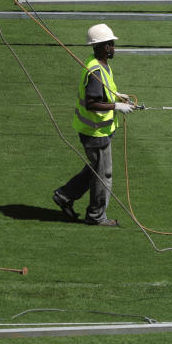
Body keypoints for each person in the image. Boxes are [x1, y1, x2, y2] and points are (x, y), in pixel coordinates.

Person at [53, 24, 136, 227]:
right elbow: (91, 103)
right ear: (101, 46)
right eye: (110, 44)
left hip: (96, 130)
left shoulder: (97, 64)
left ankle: (64, 195)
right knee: (103, 174)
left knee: (95, 169)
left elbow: (102, 93)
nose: (113, 48)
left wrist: (117, 97)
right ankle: (96, 216)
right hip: (95, 132)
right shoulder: (96, 70)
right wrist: (116, 106)